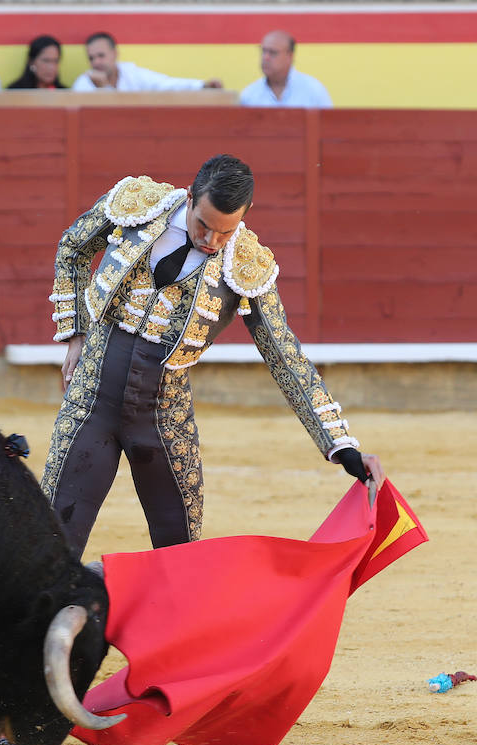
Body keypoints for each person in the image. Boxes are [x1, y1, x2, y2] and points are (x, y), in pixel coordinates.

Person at [41, 153, 384, 557]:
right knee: (51, 540)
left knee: (182, 554)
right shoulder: (136, 204)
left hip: (163, 416)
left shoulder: (245, 264)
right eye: (204, 225)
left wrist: (343, 448)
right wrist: (75, 333)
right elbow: (73, 247)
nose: (212, 241)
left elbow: (286, 357)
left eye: (226, 232)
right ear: (189, 197)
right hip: (90, 398)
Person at [71, 31, 222, 91]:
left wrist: (202, 85)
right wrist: (104, 88)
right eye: (91, 58)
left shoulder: (131, 73)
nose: (96, 62)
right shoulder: (83, 83)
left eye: (101, 56)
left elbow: (165, 84)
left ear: (115, 53)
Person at [239, 29, 332, 106]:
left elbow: (329, 125)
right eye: (263, 51)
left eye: (273, 52)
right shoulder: (249, 95)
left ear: (290, 56)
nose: (265, 58)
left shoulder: (313, 90)